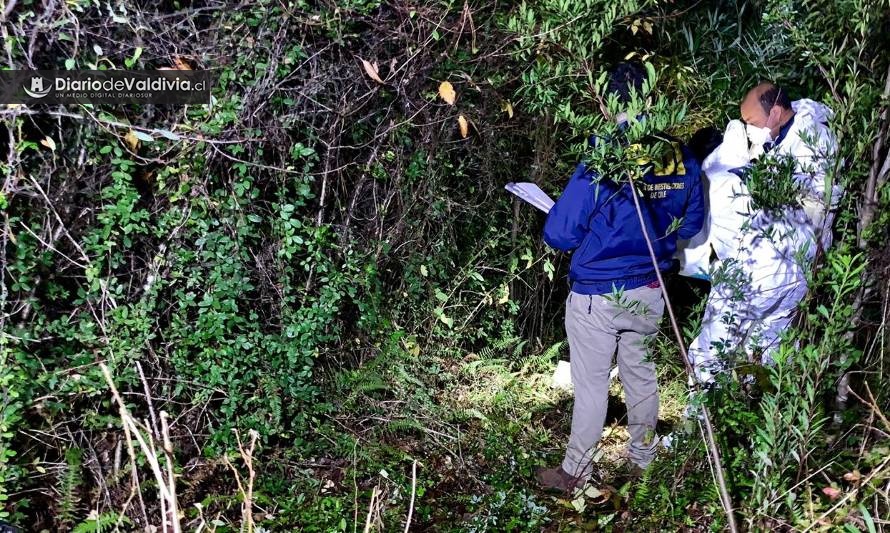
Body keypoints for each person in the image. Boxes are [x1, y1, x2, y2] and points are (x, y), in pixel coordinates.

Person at [534, 62, 705, 493]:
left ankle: (577, 472)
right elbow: (689, 226)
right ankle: (644, 461)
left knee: (591, 385)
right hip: (650, 287)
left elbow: (559, 233)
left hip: (598, 293)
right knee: (641, 375)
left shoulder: (606, 154)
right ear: (651, 98)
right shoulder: (677, 154)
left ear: (608, 102)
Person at [688, 82, 841, 382]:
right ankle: (747, 416)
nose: (749, 130)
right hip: (779, 261)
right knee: (763, 350)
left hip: (775, 261)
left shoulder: (814, 141)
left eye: (752, 123)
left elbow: (823, 202)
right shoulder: (776, 135)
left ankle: (695, 424)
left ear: (776, 112)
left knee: (714, 345)